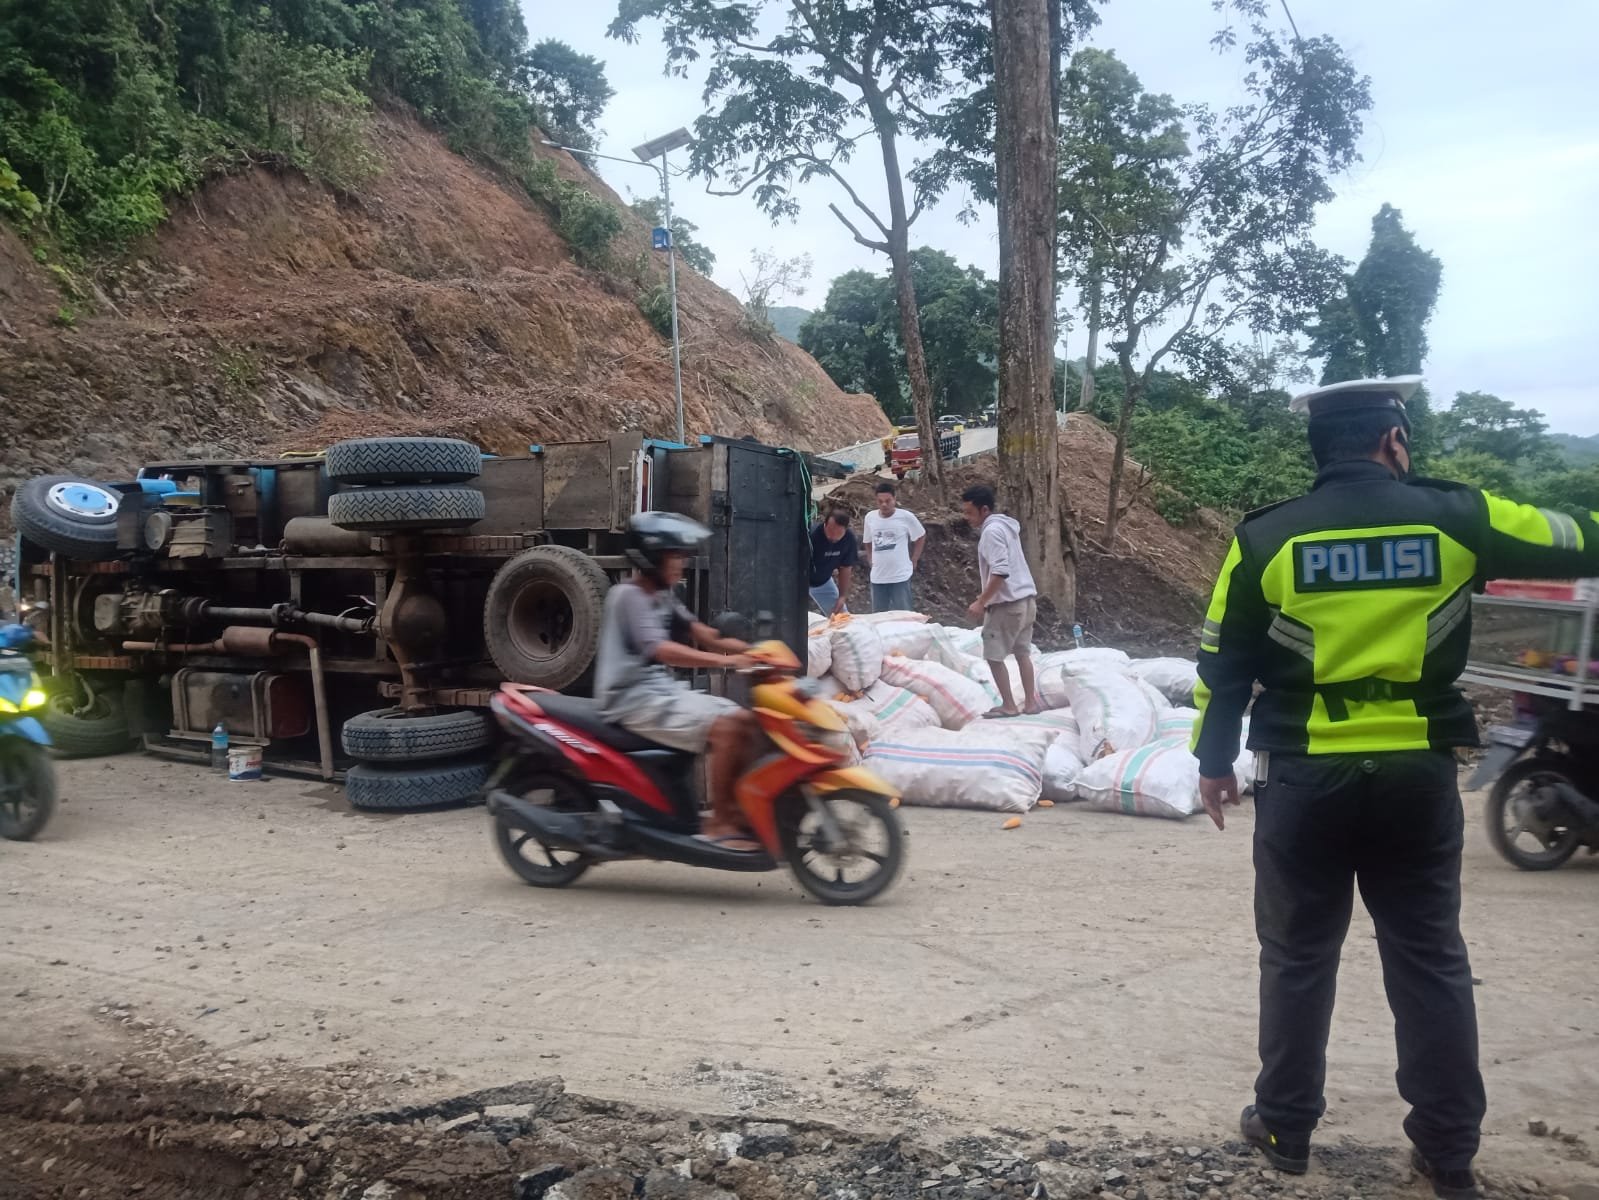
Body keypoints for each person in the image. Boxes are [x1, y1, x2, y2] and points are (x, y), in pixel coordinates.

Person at [1191, 375, 1599, 1200]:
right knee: (1428, 958)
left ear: (1320, 449)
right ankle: (1446, 1153)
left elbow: (1221, 661)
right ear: (1392, 441)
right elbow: (1578, 538)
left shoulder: (1266, 539)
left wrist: (1212, 761)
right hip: (1415, 774)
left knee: (1298, 955)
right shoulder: (1457, 518)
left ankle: (1284, 1126)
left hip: (1303, 778)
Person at [594, 512, 763, 851]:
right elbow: (662, 650)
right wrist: (727, 662)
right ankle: (718, 824)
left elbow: (703, 633)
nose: (682, 565)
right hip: (632, 699)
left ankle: (738, 812)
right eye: (676, 556)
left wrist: (757, 652)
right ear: (652, 557)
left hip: (659, 692)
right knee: (728, 726)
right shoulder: (628, 596)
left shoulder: (663, 596)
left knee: (746, 720)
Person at [960, 484, 1039, 717]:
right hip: (1026, 600)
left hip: (1007, 604)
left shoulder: (991, 532)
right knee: (1023, 653)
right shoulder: (1007, 527)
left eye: (969, 512)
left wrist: (982, 601)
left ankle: (1009, 705)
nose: (967, 518)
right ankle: (1032, 704)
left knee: (993, 656)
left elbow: (1000, 571)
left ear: (984, 510)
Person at [861, 481, 925, 612]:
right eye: (880, 501)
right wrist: (870, 558)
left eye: (887, 501)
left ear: (895, 499)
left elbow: (921, 536)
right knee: (879, 617)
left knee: (904, 615)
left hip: (900, 576)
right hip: (878, 577)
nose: (884, 504)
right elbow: (867, 540)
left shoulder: (905, 517)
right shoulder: (870, 518)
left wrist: (915, 559)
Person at [808, 506, 858, 615]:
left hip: (822, 582)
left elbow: (845, 567)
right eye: (830, 532)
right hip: (798, 581)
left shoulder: (849, 539)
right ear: (825, 524)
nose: (833, 537)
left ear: (845, 529)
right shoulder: (812, 535)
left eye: (837, 537)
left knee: (841, 616)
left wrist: (842, 596)